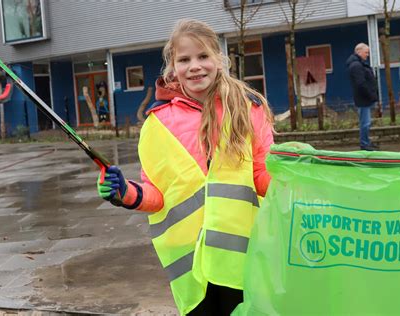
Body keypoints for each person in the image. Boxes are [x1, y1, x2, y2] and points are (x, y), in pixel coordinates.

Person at [96, 19, 274, 315]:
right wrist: (124, 192)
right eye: (184, 59)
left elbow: (261, 175)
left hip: (242, 258)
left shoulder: (247, 109)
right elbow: (157, 195)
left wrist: (295, 178)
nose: (195, 66)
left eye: (203, 56)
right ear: (172, 67)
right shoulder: (158, 124)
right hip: (192, 268)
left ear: (219, 60)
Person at [346, 43, 379, 151]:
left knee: (366, 122)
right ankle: (364, 144)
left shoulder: (358, 64)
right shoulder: (356, 65)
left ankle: (366, 142)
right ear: (359, 52)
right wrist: (371, 95)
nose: (367, 55)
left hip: (364, 98)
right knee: (365, 123)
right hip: (363, 99)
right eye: (366, 52)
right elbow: (361, 84)